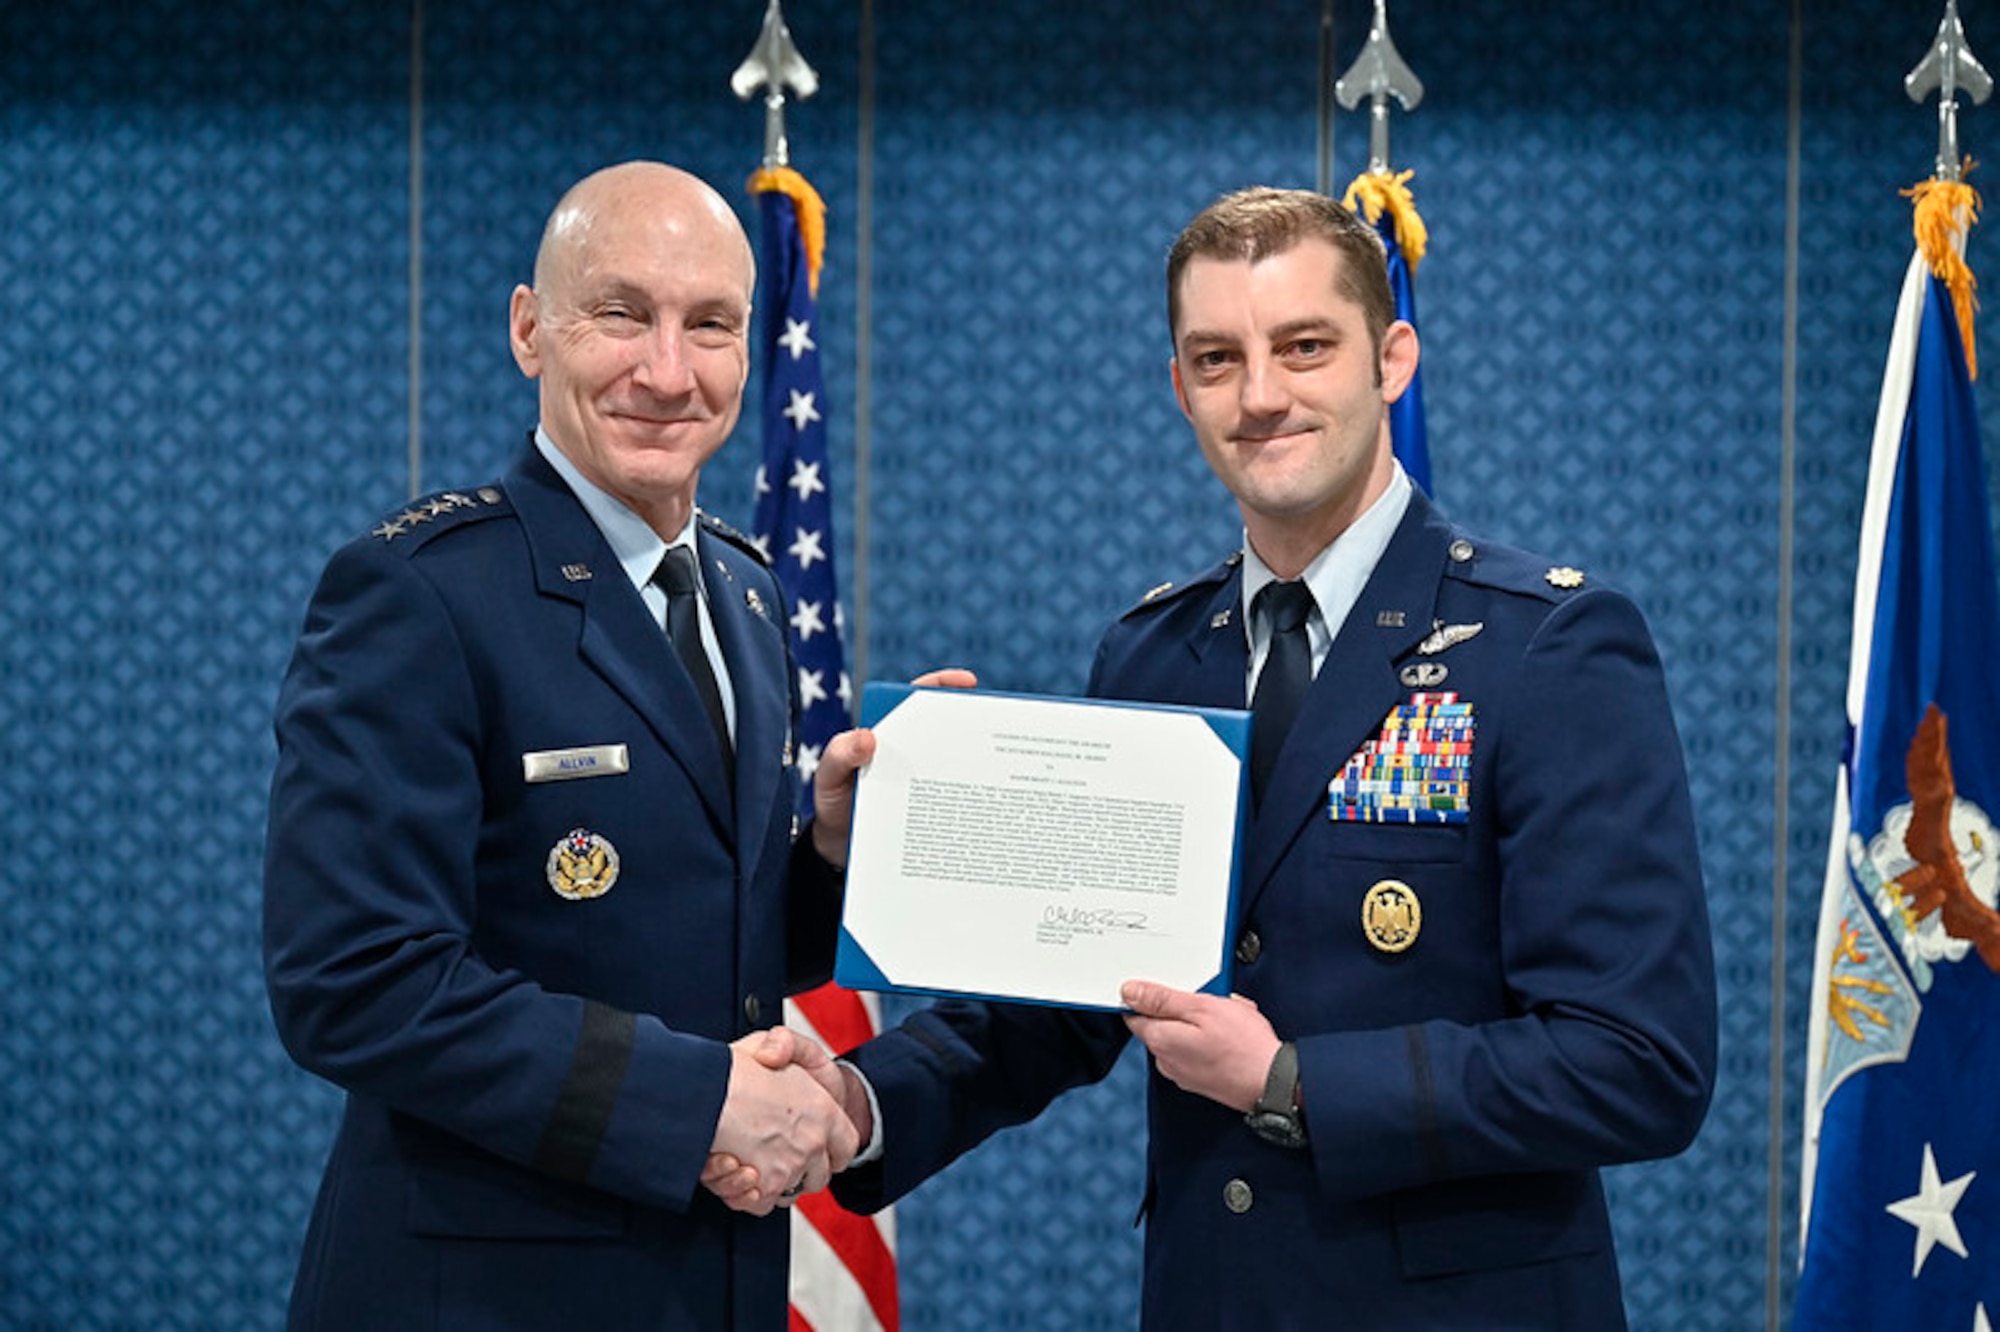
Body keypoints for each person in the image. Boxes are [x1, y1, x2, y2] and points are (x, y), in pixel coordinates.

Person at [713, 186, 1719, 1328]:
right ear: (1178, 385)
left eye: (1303, 347)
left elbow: (1636, 1063)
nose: (1259, 396)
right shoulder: (1151, 655)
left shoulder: (1544, 648)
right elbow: (1069, 1001)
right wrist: (856, 1096)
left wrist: (1292, 1082)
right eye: (1214, 357)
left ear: (1390, 360)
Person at [263, 161, 932, 1331]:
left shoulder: (745, 593)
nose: (665, 372)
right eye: (620, 314)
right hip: (487, 1287)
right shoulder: (419, 593)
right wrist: (696, 1103)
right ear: (531, 330)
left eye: (710, 326)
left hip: (707, 1273)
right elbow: (353, 979)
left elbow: (692, 933)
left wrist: (824, 855)